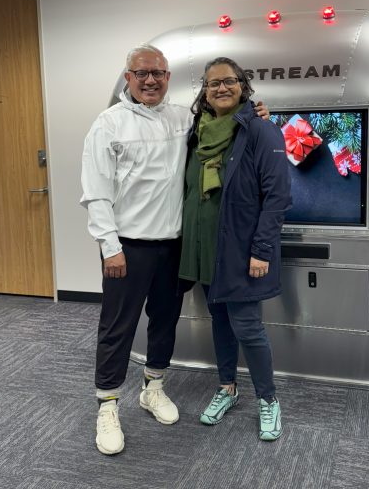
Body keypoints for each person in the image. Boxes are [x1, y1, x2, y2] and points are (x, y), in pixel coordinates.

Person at [80, 45, 269, 456]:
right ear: (128, 78)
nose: (150, 80)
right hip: (127, 247)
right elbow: (95, 193)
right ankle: (108, 406)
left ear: (168, 77)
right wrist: (109, 247)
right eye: (141, 73)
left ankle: (154, 387)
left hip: (173, 246)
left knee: (165, 321)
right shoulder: (108, 123)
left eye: (158, 73)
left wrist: (255, 115)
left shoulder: (185, 118)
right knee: (117, 328)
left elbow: (225, 127)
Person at [178, 57, 291, 441]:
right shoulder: (197, 132)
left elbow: (277, 197)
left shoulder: (260, 130)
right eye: (213, 83)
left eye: (229, 81)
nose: (221, 88)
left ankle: (268, 399)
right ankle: (227, 388)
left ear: (243, 86)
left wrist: (261, 249)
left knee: (248, 327)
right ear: (205, 92)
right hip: (205, 248)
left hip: (242, 252)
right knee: (221, 322)